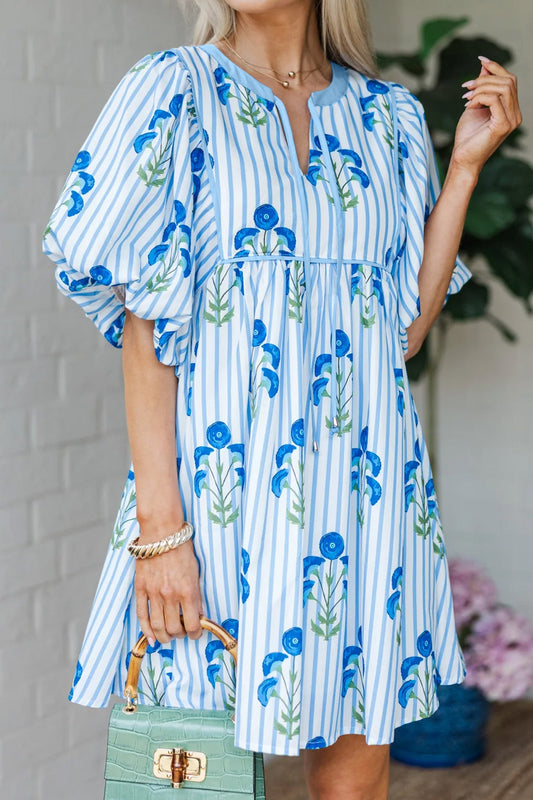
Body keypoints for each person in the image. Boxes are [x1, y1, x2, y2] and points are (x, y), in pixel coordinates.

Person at [42, 1, 521, 797]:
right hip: (215, 498)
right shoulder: (171, 90)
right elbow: (145, 328)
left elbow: (400, 327)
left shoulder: (390, 116)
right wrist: (162, 535)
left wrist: (465, 167)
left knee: (353, 784)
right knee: (199, 778)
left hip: (360, 495)